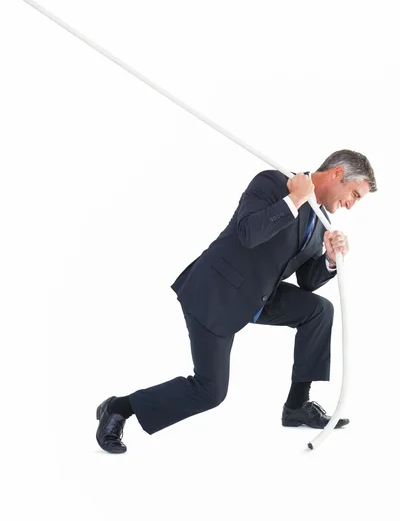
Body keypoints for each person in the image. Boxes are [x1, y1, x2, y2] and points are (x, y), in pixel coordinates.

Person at [96, 149, 377, 453]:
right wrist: (293, 200)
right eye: (355, 194)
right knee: (210, 391)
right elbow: (248, 233)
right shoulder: (273, 183)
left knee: (318, 310)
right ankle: (119, 408)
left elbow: (307, 281)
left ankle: (297, 406)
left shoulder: (320, 219)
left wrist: (330, 260)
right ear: (337, 174)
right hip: (216, 292)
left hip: (259, 295)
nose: (351, 205)